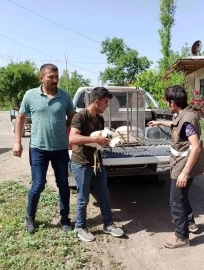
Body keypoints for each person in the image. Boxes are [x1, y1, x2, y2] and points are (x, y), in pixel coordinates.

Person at [12, 63, 75, 234]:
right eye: (51, 77)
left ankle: (65, 219)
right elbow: (20, 118)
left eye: (57, 77)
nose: (55, 80)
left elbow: (71, 116)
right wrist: (17, 142)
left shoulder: (65, 96)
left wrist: (65, 131)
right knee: (38, 184)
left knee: (63, 184)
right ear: (41, 78)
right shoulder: (30, 95)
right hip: (38, 148)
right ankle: (30, 217)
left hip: (60, 148)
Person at [148, 85, 204, 249]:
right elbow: (176, 124)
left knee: (176, 201)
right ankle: (190, 223)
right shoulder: (183, 114)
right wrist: (159, 122)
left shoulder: (187, 120)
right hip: (180, 164)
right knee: (182, 196)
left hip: (183, 167)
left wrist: (184, 173)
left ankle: (182, 237)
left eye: (167, 102)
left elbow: (195, 147)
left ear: (173, 102)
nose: (166, 104)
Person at [69, 87, 124, 242]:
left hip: (97, 162)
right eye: (106, 102)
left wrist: (108, 142)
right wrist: (94, 140)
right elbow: (72, 139)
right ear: (97, 101)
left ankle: (108, 225)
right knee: (83, 197)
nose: (107, 105)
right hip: (82, 163)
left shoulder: (99, 118)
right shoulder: (80, 117)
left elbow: (99, 141)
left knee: (104, 194)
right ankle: (80, 227)